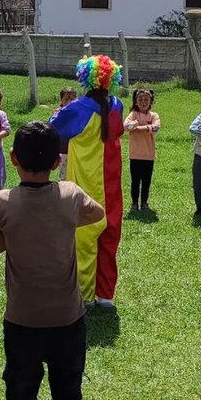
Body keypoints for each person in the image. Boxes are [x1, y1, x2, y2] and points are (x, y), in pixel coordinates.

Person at [0, 122, 105, 400]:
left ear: (14, 159)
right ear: (56, 162)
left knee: (20, 399)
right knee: (68, 397)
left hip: (22, 322)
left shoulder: (3, 201)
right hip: (68, 320)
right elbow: (96, 212)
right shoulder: (70, 195)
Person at [49, 55, 126, 309]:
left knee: (83, 238)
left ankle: (84, 295)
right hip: (112, 183)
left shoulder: (78, 108)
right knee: (109, 236)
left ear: (85, 78)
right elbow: (119, 131)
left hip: (85, 181)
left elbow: (55, 128)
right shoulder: (117, 106)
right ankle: (105, 294)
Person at [124, 87, 161, 211]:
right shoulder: (133, 114)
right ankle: (134, 203)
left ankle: (144, 202)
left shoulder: (154, 115)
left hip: (149, 155)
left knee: (146, 181)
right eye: (140, 99)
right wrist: (141, 126)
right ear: (135, 101)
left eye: (146, 99)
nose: (143, 102)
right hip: (135, 155)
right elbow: (126, 126)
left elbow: (156, 127)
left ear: (151, 102)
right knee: (135, 181)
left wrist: (139, 127)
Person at [54, 86, 75, 181]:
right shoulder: (58, 113)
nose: (69, 102)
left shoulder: (78, 112)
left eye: (72, 99)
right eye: (66, 99)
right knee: (65, 177)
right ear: (61, 100)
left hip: (76, 150)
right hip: (63, 150)